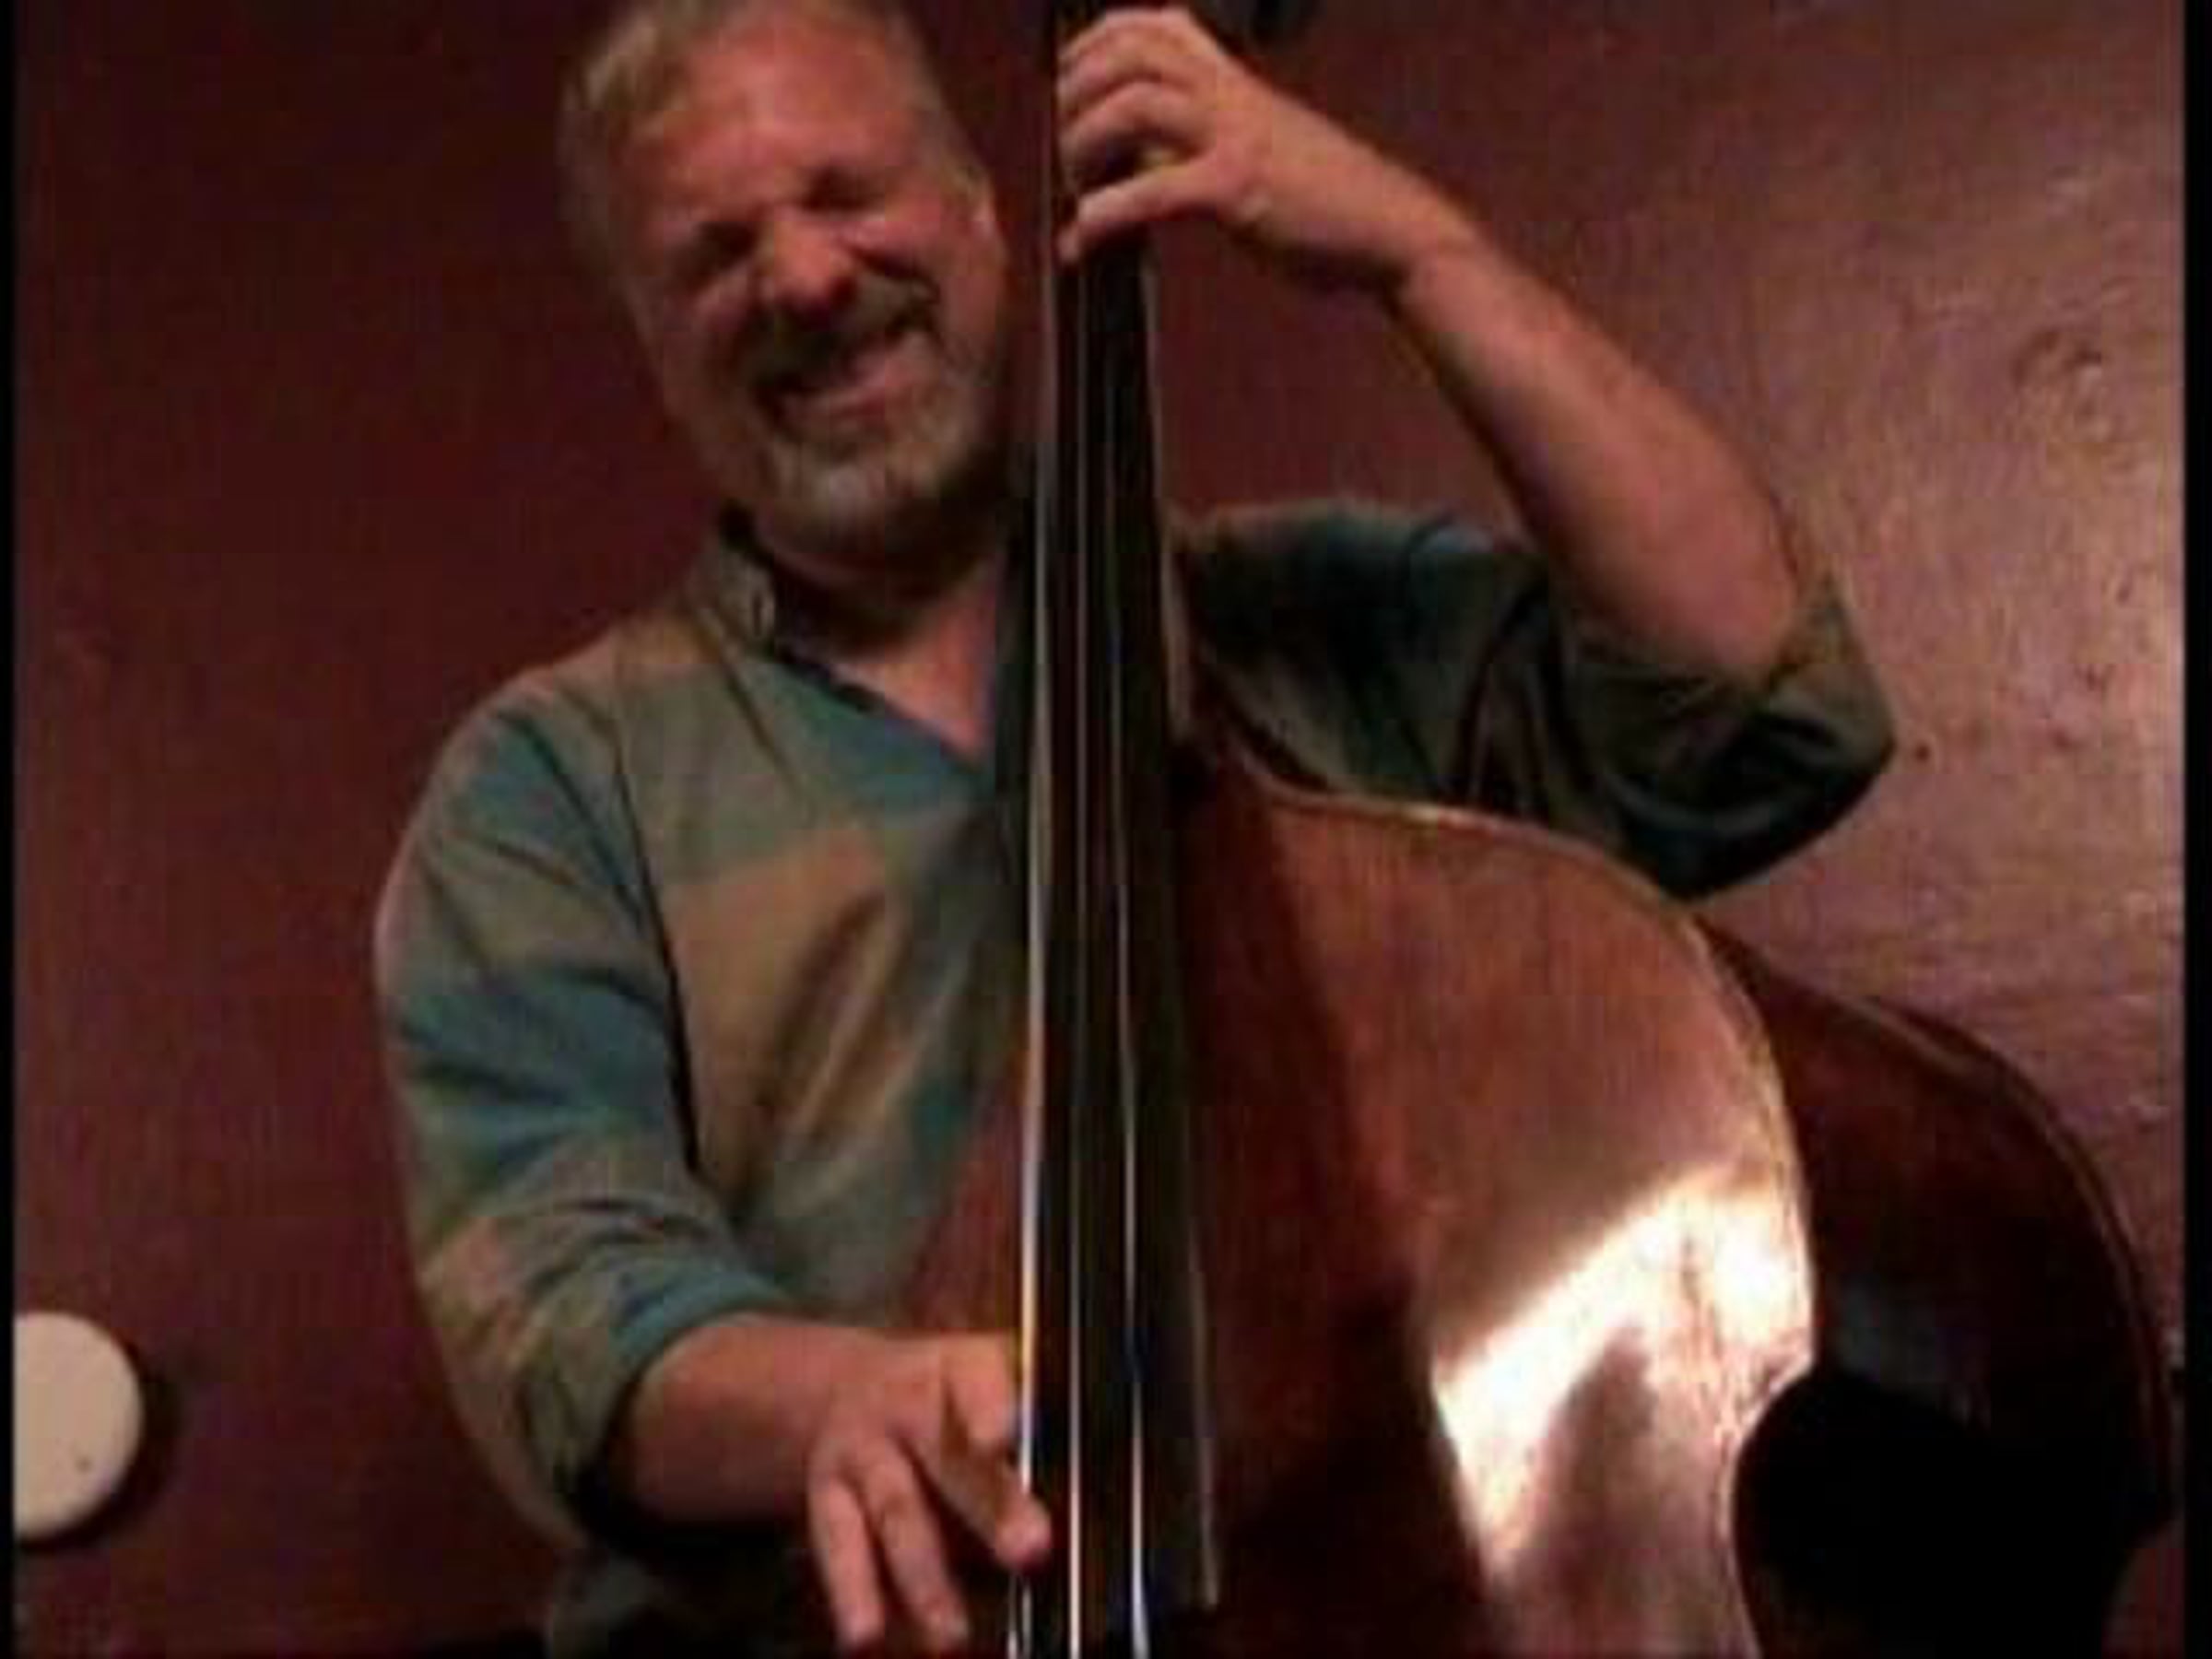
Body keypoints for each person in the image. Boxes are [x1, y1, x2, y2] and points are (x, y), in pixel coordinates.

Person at [373, 0, 1895, 1652]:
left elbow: (1759, 714)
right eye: (714, 254)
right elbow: (563, 1310)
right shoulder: (548, 792)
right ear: (655, 347)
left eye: (845, 192)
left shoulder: (1302, 624)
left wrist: (1419, 255)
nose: (803, 276)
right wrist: (838, 1402)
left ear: (983, 212)